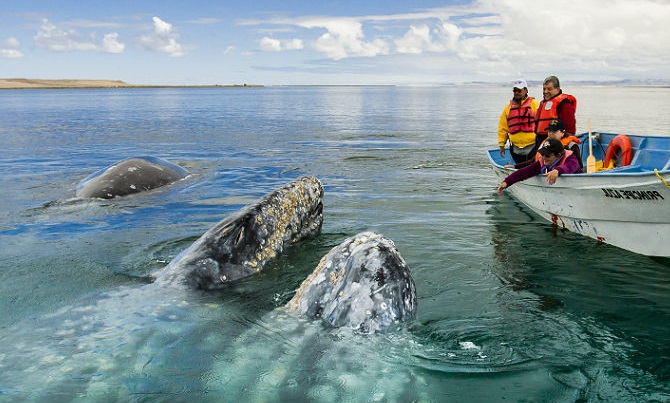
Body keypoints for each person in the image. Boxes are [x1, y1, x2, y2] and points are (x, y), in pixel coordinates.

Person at [496, 138, 583, 195]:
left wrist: (557, 171)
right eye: (542, 154)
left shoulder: (571, 159)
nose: (544, 157)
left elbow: (569, 167)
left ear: (559, 155)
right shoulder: (542, 161)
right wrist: (507, 182)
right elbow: (525, 172)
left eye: (547, 155)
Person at [498, 78, 540, 165]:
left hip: (533, 146)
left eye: (519, 90)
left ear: (525, 90)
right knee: (520, 168)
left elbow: (542, 123)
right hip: (515, 148)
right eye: (515, 90)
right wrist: (502, 144)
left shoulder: (535, 105)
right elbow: (503, 128)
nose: (516, 92)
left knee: (530, 167)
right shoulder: (508, 108)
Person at [534, 76, 577, 148]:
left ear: (557, 89)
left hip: (556, 145)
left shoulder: (564, 104)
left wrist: (562, 146)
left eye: (549, 89)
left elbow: (570, 129)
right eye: (544, 89)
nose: (545, 92)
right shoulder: (542, 103)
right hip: (541, 143)